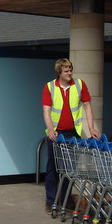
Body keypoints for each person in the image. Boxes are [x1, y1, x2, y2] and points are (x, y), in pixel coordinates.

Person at [42, 58, 100, 213]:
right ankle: (51, 201)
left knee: (69, 170)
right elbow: (46, 111)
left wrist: (91, 128)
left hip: (73, 134)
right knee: (52, 169)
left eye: (70, 70)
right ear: (59, 72)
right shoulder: (50, 87)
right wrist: (51, 130)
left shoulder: (79, 85)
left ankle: (66, 200)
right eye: (66, 70)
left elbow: (87, 107)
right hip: (56, 134)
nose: (69, 73)